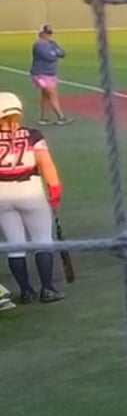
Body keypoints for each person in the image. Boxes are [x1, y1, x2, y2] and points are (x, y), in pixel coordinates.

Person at [0, 91, 65, 305]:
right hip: (31, 191)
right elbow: (47, 165)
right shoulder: (32, 135)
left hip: (1, 194)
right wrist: (55, 189)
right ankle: (47, 289)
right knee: (42, 240)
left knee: (14, 245)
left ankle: (26, 291)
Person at [29, 26, 72, 126]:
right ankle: (61, 117)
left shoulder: (52, 43)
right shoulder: (39, 45)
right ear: (40, 34)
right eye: (46, 33)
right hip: (40, 74)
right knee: (52, 94)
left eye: (49, 33)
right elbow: (49, 57)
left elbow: (62, 53)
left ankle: (43, 118)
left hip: (50, 74)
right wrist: (55, 53)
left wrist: (55, 53)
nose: (48, 35)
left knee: (45, 96)